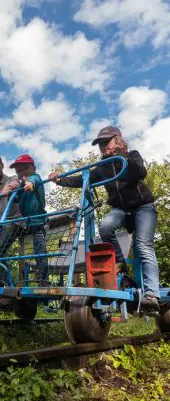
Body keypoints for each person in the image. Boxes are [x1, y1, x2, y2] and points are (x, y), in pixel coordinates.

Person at [49, 125, 160, 312]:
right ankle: (120, 263)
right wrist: (61, 180)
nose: (103, 147)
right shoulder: (102, 167)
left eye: (106, 142)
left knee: (143, 246)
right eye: (100, 144)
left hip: (143, 207)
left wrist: (123, 155)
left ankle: (151, 294)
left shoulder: (132, 155)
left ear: (118, 140)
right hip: (121, 209)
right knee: (105, 226)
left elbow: (140, 173)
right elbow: (84, 180)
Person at [10, 154, 49, 285]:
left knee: (40, 250)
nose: (21, 172)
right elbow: (15, 199)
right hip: (28, 223)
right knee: (34, 249)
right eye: (18, 170)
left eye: (24, 168)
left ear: (33, 167)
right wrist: (11, 192)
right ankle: (34, 274)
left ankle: (43, 279)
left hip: (39, 222)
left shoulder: (35, 177)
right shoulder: (21, 186)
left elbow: (34, 181)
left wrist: (29, 184)